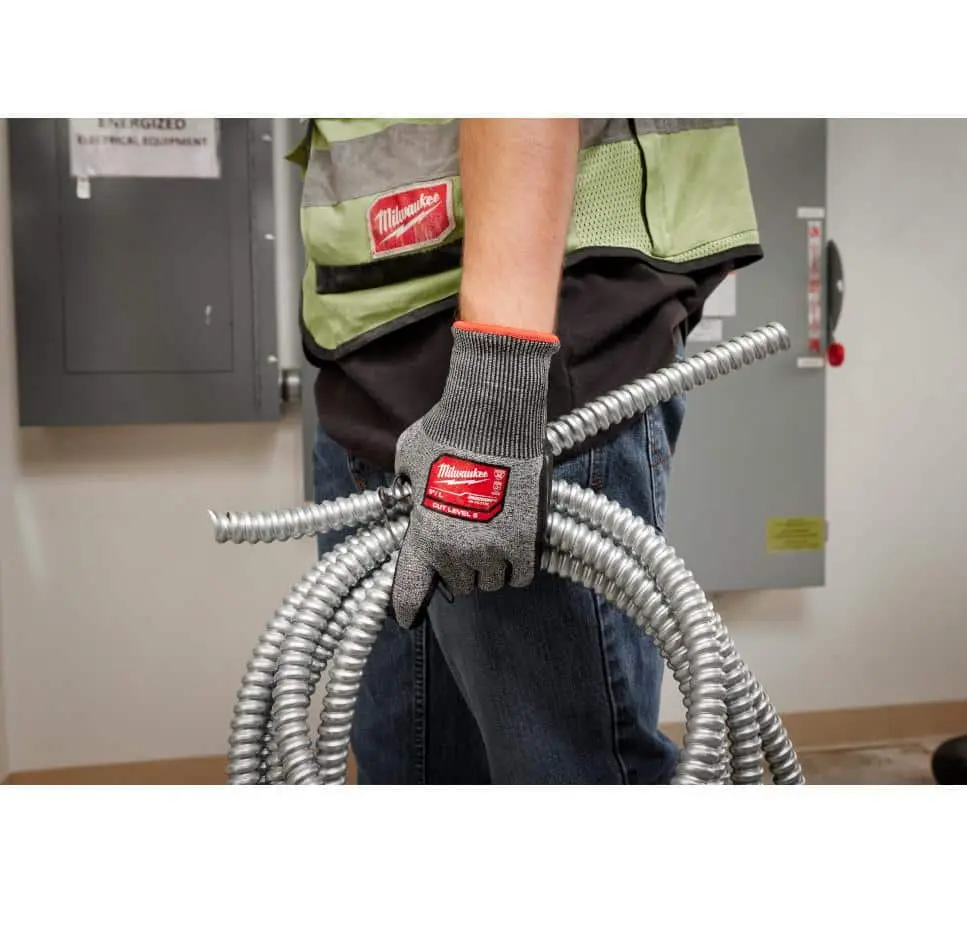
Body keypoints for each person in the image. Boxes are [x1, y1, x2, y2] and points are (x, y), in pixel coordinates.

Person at [292, 118, 763, 784]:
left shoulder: (503, 380)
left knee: (569, 775)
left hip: (520, 363)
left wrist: (498, 375)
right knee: (406, 768)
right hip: (365, 361)